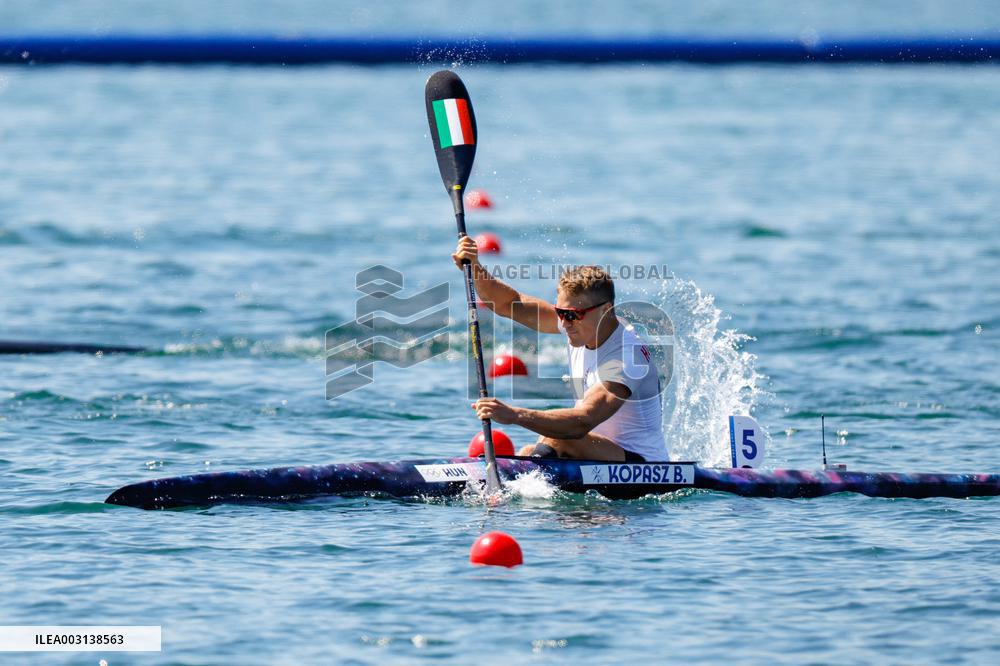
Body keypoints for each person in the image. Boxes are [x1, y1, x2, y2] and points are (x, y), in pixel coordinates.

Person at [453, 236, 667, 462]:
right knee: (528, 451)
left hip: (643, 466)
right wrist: (474, 267)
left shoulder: (626, 357)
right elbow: (509, 303)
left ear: (606, 310)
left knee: (559, 439)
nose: (563, 324)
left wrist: (515, 415)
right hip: (595, 451)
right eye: (560, 312)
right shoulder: (584, 325)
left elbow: (583, 420)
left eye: (572, 315)